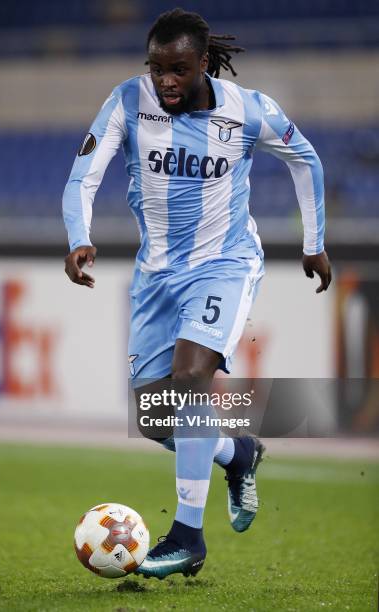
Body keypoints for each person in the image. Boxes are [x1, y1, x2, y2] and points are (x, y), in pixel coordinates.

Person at [63, 8, 331, 579]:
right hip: (156, 275)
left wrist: (314, 241)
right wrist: (78, 237)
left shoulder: (250, 111)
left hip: (225, 263)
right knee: (155, 415)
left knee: (190, 380)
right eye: (157, 69)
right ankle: (238, 454)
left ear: (204, 63)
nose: (165, 82)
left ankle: (187, 536)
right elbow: (83, 175)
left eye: (178, 70)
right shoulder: (126, 102)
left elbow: (306, 160)